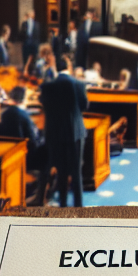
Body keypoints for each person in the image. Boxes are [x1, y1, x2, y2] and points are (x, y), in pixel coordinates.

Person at [40, 56, 88, 207]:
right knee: (76, 174)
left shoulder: (48, 86)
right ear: (69, 66)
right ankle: (79, 209)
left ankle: (63, 207)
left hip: (57, 134)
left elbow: (45, 107)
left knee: (61, 173)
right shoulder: (78, 84)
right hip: (75, 133)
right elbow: (84, 105)